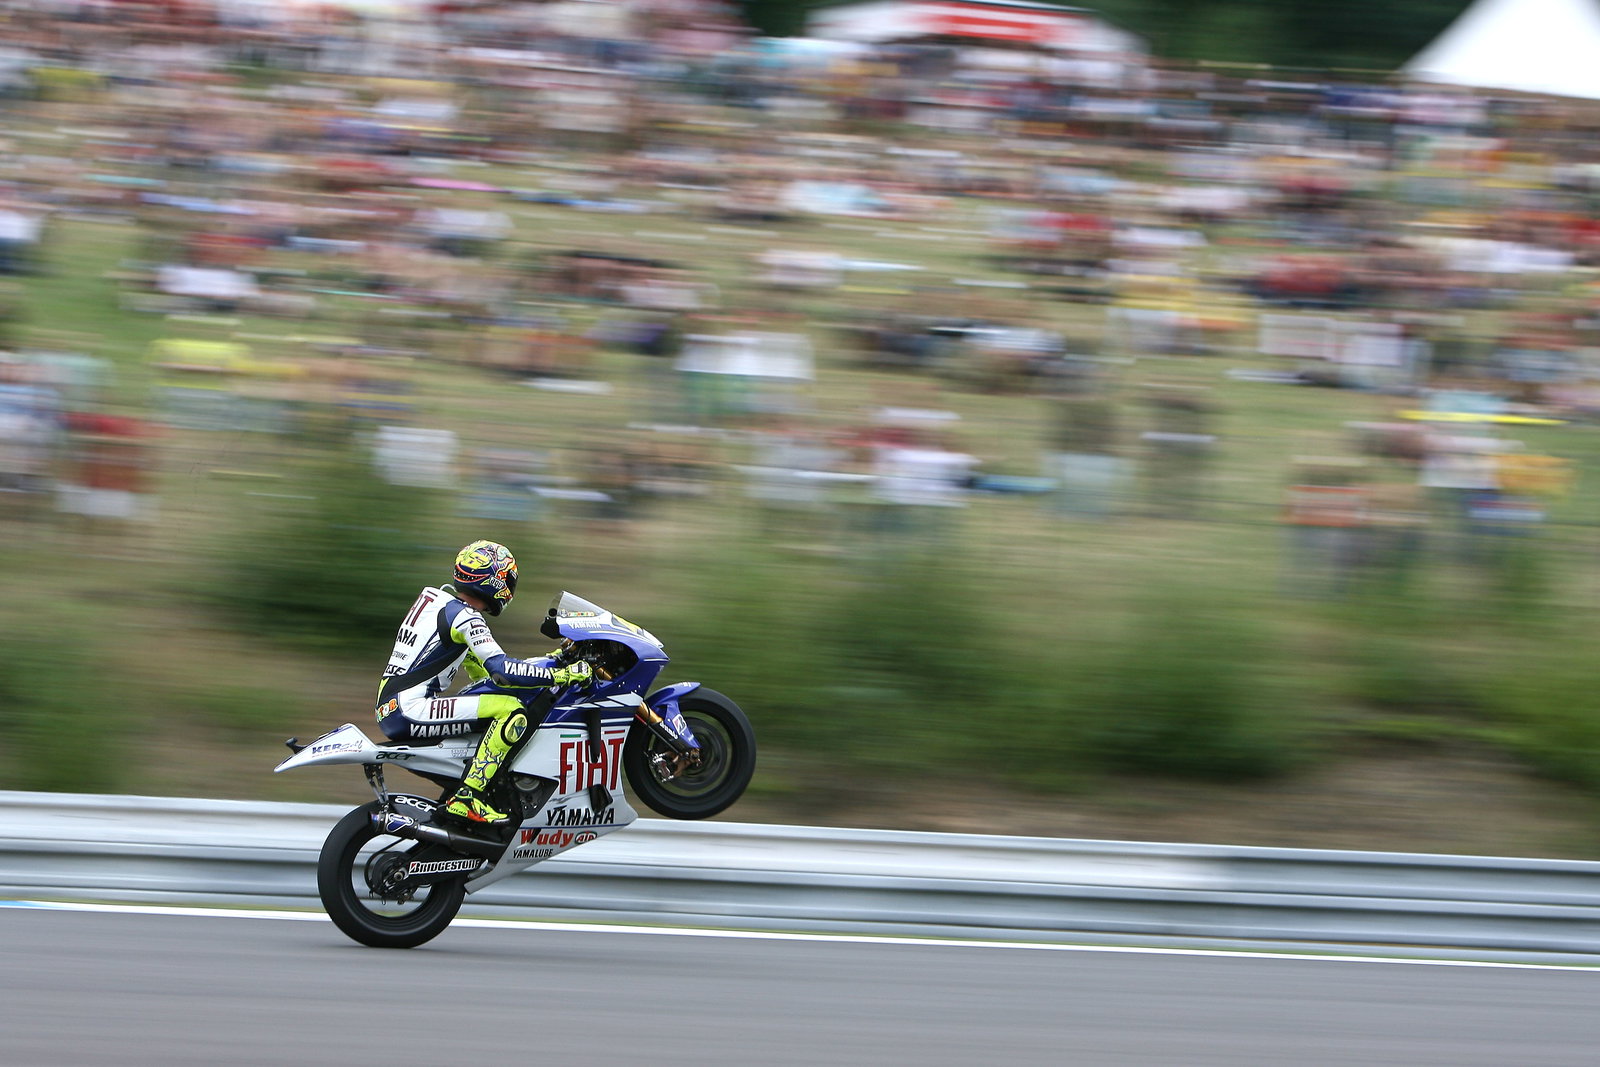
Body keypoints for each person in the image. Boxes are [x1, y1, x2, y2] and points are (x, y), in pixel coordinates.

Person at [375, 540, 592, 826]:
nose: (510, 589)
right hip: (411, 709)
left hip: (391, 708)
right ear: (495, 580)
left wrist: (531, 670)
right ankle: (467, 796)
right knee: (511, 711)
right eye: (508, 580)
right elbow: (502, 671)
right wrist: (563, 675)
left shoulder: (435, 600)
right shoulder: (466, 617)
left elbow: (480, 672)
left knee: (497, 703)